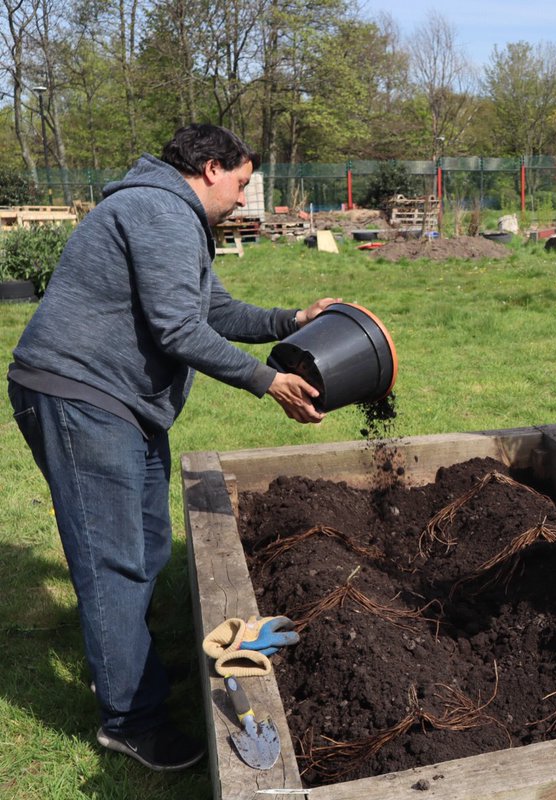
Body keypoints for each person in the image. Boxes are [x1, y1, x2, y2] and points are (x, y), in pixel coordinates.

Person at [7, 124, 338, 771]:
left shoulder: (172, 215)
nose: (242, 198)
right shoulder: (158, 210)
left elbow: (214, 310)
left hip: (121, 404)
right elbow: (179, 329)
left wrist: (293, 320)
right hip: (80, 396)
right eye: (241, 182)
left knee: (150, 544)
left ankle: (131, 666)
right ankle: (131, 718)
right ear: (211, 168)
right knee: (113, 562)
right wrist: (266, 380)